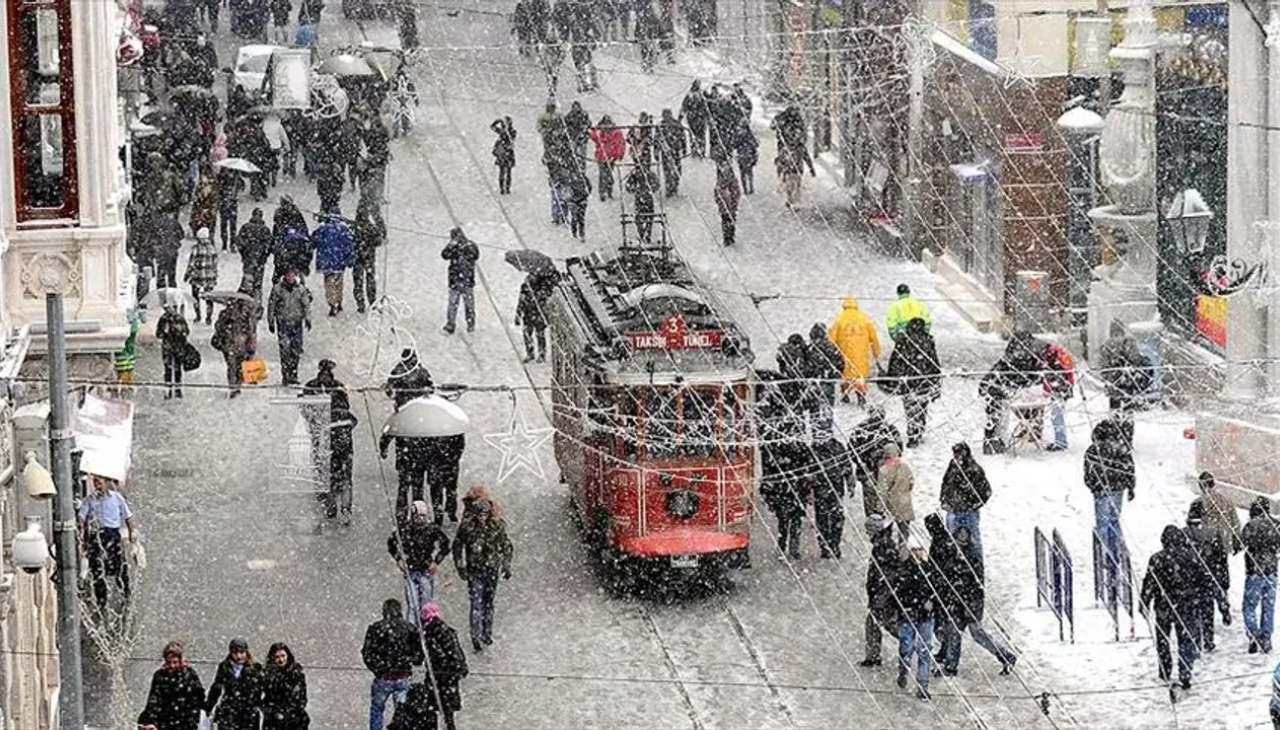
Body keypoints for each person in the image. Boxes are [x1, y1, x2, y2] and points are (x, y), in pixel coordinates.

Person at [928, 516, 1018, 676]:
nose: (959, 542)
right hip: (958, 601)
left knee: (976, 633)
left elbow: (975, 583)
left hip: (969, 602)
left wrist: (966, 597)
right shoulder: (952, 554)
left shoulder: (971, 557)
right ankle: (951, 666)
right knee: (955, 632)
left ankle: (1005, 655)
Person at [453, 485, 514, 652]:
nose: (482, 517)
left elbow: (506, 546)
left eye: (484, 514)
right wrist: (460, 566)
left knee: (488, 603)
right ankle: (476, 635)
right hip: (475, 570)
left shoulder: (497, 526)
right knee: (476, 603)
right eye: (479, 514)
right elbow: (457, 545)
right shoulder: (467, 527)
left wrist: (506, 565)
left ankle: (486, 633)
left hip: (491, 569)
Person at [1140, 526, 1199, 689]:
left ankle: (1165, 669)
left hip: (1164, 604)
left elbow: (1149, 582)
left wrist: (1144, 602)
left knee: (1163, 639)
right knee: (1185, 640)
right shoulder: (1191, 557)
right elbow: (1200, 580)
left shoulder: (1157, 559)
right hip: (1186, 604)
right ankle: (1185, 672)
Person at [1084, 417, 1135, 600]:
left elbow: (1087, 473)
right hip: (1118, 489)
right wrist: (1130, 487)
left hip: (1101, 491)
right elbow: (1129, 469)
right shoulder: (1120, 449)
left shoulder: (1093, 450)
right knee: (1114, 520)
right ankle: (1117, 549)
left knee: (1102, 523)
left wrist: (1093, 486)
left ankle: (1106, 553)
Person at [361, 598, 425, 730]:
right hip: (403, 676)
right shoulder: (410, 628)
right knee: (402, 711)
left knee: (377, 709)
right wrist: (410, 663)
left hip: (383, 677)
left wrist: (377, 669)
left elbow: (367, 652)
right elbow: (419, 654)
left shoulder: (376, 628)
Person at [78, 475, 137, 606]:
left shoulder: (117, 498)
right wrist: (81, 532)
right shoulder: (90, 500)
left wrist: (132, 531)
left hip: (113, 535)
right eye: (95, 483)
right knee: (97, 568)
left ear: (107, 483)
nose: (97, 486)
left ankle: (125, 593)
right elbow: (82, 518)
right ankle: (101, 600)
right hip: (97, 536)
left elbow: (128, 516)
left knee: (120, 565)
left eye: (99, 483)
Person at [388, 501, 452, 619]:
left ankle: (426, 626)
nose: (421, 519)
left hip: (426, 570)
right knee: (413, 606)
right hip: (410, 570)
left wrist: (436, 562)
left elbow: (445, 545)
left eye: (423, 516)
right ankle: (413, 628)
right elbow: (391, 544)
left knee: (426, 605)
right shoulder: (405, 529)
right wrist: (399, 559)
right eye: (418, 516)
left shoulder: (432, 529)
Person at [894, 535, 939, 699]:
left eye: (920, 550)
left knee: (924, 651)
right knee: (906, 648)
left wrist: (931, 603)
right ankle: (903, 671)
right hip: (909, 615)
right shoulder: (903, 570)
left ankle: (923, 686)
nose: (917, 553)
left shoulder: (929, 570)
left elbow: (937, 591)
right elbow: (898, 594)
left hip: (924, 616)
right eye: (914, 550)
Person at [886, 317, 941, 447]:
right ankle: (919, 428)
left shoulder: (903, 341)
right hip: (924, 381)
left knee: (910, 408)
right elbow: (933, 361)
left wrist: (892, 378)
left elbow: (895, 360)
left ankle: (912, 433)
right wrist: (935, 379)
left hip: (908, 381)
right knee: (922, 407)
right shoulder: (928, 341)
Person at [1198, 471, 1242, 627]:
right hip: (1222, 546)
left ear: (1201, 485)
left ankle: (1207, 615)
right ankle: (1224, 606)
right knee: (1221, 577)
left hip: (1205, 548)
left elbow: (1193, 527)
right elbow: (1235, 523)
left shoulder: (1199, 502)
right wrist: (1236, 541)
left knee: (1205, 580)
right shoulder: (1226, 501)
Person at [419, 602, 470, 730]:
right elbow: (456, 653)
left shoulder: (430, 634)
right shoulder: (447, 631)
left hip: (440, 676)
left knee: (433, 710)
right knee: (448, 713)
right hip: (449, 677)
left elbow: (434, 655)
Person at [859, 516, 902, 667]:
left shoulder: (883, 547)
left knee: (889, 625)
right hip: (881, 595)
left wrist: (881, 597)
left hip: (883, 596)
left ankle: (919, 646)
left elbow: (889, 574)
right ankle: (873, 656)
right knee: (875, 624)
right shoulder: (882, 545)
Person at [1184, 499, 1225, 652]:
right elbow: (1221, 559)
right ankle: (1208, 639)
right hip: (1208, 575)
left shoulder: (1183, 533)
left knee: (1193, 610)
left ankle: (1195, 639)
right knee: (1208, 609)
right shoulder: (1213, 533)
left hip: (1190, 578)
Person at [849, 405, 902, 522]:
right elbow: (853, 451)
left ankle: (883, 520)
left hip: (885, 472)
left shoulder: (890, 429)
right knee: (870, 496)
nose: (877, 417)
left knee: (884, 497)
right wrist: (866, 459)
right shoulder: (860, 430)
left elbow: (898, 450)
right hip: (867, 470)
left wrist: (885, 457)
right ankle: (873, 521)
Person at [137, 641, 206, 730]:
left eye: (175, 662)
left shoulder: (189, 674)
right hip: (165, 721)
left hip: (185, 722)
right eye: (169, 662)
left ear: (181, 660)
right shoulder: (160, 676)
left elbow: (199, 697)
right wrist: (149, 720)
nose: (172, 665)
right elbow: (153, 700)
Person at [939, 442, 991, 559]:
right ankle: (952, 563)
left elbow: (986, 490)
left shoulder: (975, 469)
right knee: (951, 540)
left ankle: (976, 563)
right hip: (954, 510)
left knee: (973, 540)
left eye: (960, 454)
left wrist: (974, 504)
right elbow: (945, 483)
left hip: (969, 511)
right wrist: (944, 500)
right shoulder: (953, 466)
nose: (958, 457)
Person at [211, 280, 262, 397]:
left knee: (236, 366)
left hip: (239, 344)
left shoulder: (246, 314)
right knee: (233, 366)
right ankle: (234, 387)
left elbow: (251, 328)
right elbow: (218, 327)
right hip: (231, 344)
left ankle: (236, 385)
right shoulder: (226, 315)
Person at [1243, 497, 1280, 653]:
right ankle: (1266, 638)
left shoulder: (1250, 526)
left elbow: (1243, 542)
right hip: (1271, 571)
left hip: (1254, 572)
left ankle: (1253, 635)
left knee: (1249, 606)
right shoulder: (1276, 525)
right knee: (1268, 607)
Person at [828, 296, 879, 406]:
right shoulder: (864, 318)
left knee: (846, 375)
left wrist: (831, 354)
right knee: (859, 375)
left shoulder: (839, 319)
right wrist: (876, 352)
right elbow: (874, 338)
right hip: (861, 354)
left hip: (845, 353)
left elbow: (831, 339)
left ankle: (845, 393)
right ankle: (860, 394)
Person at [267, 269, 313, 386]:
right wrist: (271, 321)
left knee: (296, 349)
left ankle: (293, 374)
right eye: (288, 275)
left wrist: (308, 318)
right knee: (285, 349)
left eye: (292, 275)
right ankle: (286, 375)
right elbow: (271, 306)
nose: (290, 277)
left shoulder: (301, 289)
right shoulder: (277, 289)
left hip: (297, 322)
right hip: (283, 323)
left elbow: (306, 305)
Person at [205, 639, 264, 730]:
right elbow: (216, 688)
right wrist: (208, 707)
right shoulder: (225, 667)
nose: (239, 656)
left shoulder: (256, 668)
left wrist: (257, 705)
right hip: (229, 711)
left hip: (248, 713)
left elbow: (260, 689)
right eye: (235, 653)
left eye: (242, 652)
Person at [1099, 320, 1154, 412]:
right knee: (1115, 408)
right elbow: (1103, 367)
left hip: (1129, 384)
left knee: (1128, 408)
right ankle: (1115, 418)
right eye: (1115, 335)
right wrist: (1112, 375)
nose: (1118, 338)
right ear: (1111, 336)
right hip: (1115, 384)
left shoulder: (1130, 344)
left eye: (1120, 335)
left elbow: (1136, 360)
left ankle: (1128, 418)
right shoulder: (1106, 348)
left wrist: (1128, 361)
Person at [812, 438, 852, 559]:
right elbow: (809, 469)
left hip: (835, 489)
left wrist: (850, 484)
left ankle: (834, 544)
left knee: (836, 518)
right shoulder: (815, 448)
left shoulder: (838, 447)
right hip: (821, 489)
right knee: (823, 519)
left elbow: (847, 466)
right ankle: (825, 546)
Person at [312, 210, 354, 317]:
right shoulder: (344, 229)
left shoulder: (323, 229)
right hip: (339, 262)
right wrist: (349, 260)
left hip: (326, 262)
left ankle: (332, 304)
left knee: (329, 284)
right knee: (338, 283)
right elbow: (349, 245)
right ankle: (339, 302)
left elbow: (313, 240)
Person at [260, 643, 309, 730]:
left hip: (294, 721)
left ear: (288, 656)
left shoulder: (296, 674)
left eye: (283, 656)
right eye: (277, 657)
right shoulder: (268, 675)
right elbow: (267, 697)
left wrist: (290, 713)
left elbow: (301, 698)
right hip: (274, 721)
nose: (281, 659)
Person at [441, 227, 480, 334]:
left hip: (465, 280)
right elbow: (444, 255)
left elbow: (476, 255)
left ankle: (470, 323)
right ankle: (451, 323)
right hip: (457, 280)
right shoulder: (454, 247)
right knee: (454, 303)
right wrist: (451, 246)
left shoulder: (470, 246)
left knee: (467, 304)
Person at [328, 400, 358, 525]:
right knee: (346, 480)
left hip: (332, 452)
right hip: (347, 452)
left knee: (332, 479)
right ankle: (346, 509)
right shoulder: (348, 415)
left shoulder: (329, 415)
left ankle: (332, 506)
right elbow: (355, 422)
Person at [1042, 340, 1076, 451]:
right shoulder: (1059, 353)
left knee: (1057, 416)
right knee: (1057, 415)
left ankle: (1061, 442)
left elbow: (1050, 376)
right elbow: (1068, 373)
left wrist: (1047, 390)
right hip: (1064, 388)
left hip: (1059, 390)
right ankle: (1060, 440)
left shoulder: (1051, 356)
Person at [875, 443, 914, 537]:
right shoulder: (905, 467)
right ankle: (903, 545)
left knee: (886, 532)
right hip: (905, 504)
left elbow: (882, 491)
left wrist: (880, 508)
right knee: (904, 532)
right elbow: (911, 484)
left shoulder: (884, 470)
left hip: (891, 505)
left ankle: (888, 544)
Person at [157, 297, 192, 400]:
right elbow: (158, 334)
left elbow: (186, 332)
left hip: (177, 347)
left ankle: (177, 390)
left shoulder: (179, 319)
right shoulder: (163, 319)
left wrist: (179, 331)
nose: (167, 310)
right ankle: (168, 391)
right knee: (168, 370)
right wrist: (164, 332)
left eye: (169, 307)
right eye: (166, 308)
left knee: (177, 370)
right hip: (168, 348)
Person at [352, 201, 384, 313]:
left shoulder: (353, 227)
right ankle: (372, 301)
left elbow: (349, 240)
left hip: (357, 258)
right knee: (370, 281)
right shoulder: (371, 228)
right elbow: (379, 241)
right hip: (369, 258)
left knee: (358, 282)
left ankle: (360, 303)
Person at [184, 228, 219, 324]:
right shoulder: (212, 248)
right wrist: (215, 274)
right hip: (209, 277)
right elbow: (215, 263)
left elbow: (191, 263)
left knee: (195, 296)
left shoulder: (196, 248)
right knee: (209, 297)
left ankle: (198, 315)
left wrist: (187, 274)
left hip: (197, 276)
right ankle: (209, 317)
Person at [238, 209, 274, 301]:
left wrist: (244, 253)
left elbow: (240, 243)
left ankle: (246, 299)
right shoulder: (265, 229)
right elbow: (269, 245)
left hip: (249, 258)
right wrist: (264, 255)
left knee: (247, 281)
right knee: (257, 283)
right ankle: (256, 301)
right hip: (259, 260)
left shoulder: (246, 227)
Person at [588, 115, 625, 201]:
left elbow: (621, 143)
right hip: (603, 156)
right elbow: (594, 137)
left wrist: (620, 154)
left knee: (607, 174)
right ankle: (604, 192)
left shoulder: (614, 132)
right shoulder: (602, 132)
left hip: (609, 156)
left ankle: (607, 191)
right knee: (604, 175)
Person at [516, 275, 550, 363]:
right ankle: (530, 353)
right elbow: (521, 300)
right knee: (527, 333)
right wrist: (518, 314)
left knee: (540, 335)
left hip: (539, 314)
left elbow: (546, 300)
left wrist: (538, 298)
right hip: (528, 314)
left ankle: (541, 354)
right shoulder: (525, 286)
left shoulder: (543, 286)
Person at [624, 165, 660, 244]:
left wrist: (648, 189)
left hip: (646, 198)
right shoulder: (635, 175)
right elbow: (628, 187)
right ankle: (643, 234)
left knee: (647, 217)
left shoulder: (649, 175)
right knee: (640, 218)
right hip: (641, 199)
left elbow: (657, 185)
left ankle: (646, 235)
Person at [658, 108, 686, 196]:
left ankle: (674, 186)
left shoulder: (676, 124)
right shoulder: (661, 125)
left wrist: (684, 148)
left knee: (677, 170)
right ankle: (669, 188)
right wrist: (656, 151)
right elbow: (657, 139)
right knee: (667, 171)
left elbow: (682, 136)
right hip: (666, 151)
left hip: (675, 150)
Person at [713, 159, 740, 247]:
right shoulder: (720, 182)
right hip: (725, 206)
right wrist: (720, 202)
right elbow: (717, 193)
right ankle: (727, 237)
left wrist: (734, 200)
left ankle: (730, 236)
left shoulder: (732, 181)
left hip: (731, 205)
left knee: (731, 220)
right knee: (725, 220)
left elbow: (737, 191)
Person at [216, 166, 244, 251]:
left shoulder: (232, 177)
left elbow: (241, 187)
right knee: (229, 226)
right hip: (229, 205)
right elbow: (242, 187)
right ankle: (228, 243)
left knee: (227, 225)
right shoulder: (227, 177)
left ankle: (228, 243)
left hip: (227, 204)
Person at [113, 314, 140, 396]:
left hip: (123, 359)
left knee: (123, 373)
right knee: (125, 374)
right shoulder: (130, 329)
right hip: (126, 359)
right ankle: (123, 388)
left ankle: (122, 388)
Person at [680, 80, 709, 157]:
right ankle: (696, 150)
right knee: (694, 135)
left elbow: (707, 107)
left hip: (700, 118)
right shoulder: (690, 95)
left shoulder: (702, 94)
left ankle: (700, 150)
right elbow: (684, 106)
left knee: (700, 135)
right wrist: (681, 116)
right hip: (693, 118)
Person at [491, 116, 517, 195]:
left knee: (508, 172)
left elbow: (511, 138)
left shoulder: (512, 132)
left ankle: (507, 188)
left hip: (506, 153)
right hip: (504, 153)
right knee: (502, 171)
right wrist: (497, 121)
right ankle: (502, 188)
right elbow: (492, 127)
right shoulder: (502, 131)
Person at [566, 167, 591, 240]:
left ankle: (579, 232)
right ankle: (577, 232)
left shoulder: (582, 179)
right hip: (576, 200)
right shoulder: (576, 179)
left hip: (579, 200)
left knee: (579, 217)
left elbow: (589, 187)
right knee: (577, 217)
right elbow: (589, 187)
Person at [734, 118, 758, 194]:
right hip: (749, 155)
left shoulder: (739, 134)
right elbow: (756, 144)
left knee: (742, 173)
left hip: (741, 155)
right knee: (750, 172)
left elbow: (735, 145)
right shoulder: (750, 134)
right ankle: (751, 187)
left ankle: (745, 189)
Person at [565, 100, 591, 165]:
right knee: (574, 153)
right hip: (573, 137)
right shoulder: (569, 116)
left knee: (582, 154)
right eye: (574, 107)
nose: (576, 109)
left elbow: (588, 123)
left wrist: (584, 128)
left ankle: (582, 166)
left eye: (577, 107)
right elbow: (566, 125)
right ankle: (575, 165)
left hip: (582, 138)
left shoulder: (584, 114)